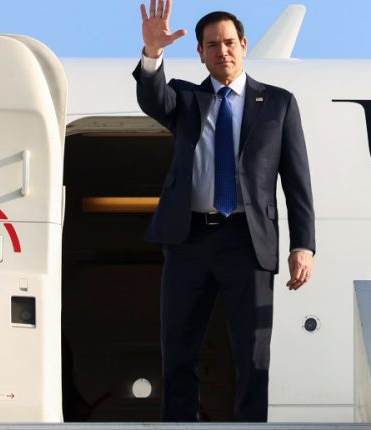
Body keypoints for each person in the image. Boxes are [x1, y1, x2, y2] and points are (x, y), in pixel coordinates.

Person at [133, 0, 316, 422]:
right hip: (188, 240)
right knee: (178, 349)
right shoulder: (184, 97)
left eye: (230, 42)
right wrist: (153, 54)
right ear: (199, 52)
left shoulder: (279, 104)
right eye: (212, 45)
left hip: (246, 241)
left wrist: (303, 245)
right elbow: (152, 97)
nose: (223, 51)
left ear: (245, 45)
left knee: (253, 355)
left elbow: (297, 180)